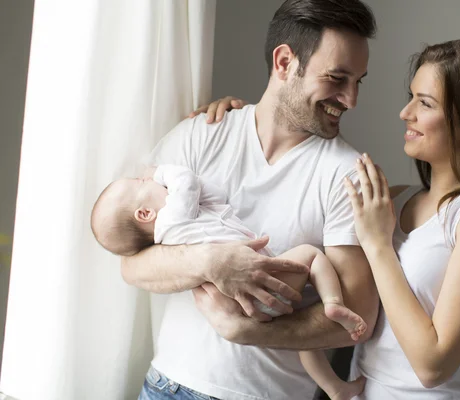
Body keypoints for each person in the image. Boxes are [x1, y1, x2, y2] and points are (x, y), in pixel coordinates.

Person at [197, 39, 460, 399]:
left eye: (425, 103)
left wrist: (377, 245)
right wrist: (242, 121)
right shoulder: (393, 199)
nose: (406, 113)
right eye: (411, 96)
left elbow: (433, 365)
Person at [119, 1, 379, 399]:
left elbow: (358, 313)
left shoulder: (347, 175)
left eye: (359, 81)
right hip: (167, 387)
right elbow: (133, 268)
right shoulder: (202, 134)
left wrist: (251, 331)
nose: (352, 99)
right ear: (284, 62)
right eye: (337, 77)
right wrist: (210, 262)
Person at [91, 164, 367, 399]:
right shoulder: (173, 218)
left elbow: (213, 194)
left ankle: (334, 388)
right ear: (145, 214)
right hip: (262, 287)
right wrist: (161, 171)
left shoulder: (178, 233)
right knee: (311, 255)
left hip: (237, 306)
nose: (149, 179)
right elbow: (186, 182)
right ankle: (332, 303)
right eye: (142, 182)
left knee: (304, 345)